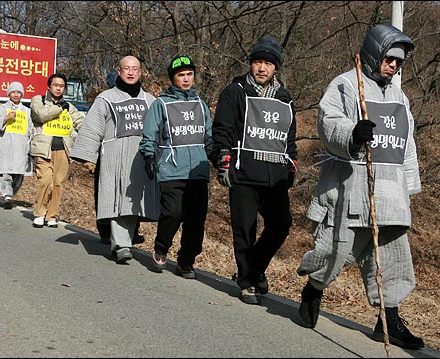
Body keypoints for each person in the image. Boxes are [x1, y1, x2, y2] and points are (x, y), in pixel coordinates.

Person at [295, 24, 424, 350]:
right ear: (373, 53)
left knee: (394, 258)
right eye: (389, 57)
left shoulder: (399, 95)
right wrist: (353, 133)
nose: (393, 65)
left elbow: (406, 143)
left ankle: (388, 316)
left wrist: (408, 187)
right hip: (351, 189)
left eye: (398, 61)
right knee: (336, 250)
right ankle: (314, 287)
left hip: (390, 194)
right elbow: (329, 123)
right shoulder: (346, 84)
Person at [212, 36, 297, 304]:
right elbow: (222, 130)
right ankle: (247, 280)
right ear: (251, 64)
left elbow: (289, 136)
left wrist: (292, 164)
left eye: (268, 63)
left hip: (275, 175)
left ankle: (255, 267)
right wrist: (223, 158)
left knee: (281, 225)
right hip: (244, 171)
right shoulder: (234, 92)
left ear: (276, 68)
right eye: (258, 62)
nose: (262, 68)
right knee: (244, 229)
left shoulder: (285, 98)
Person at [70, 56, 159, 264]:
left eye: (135, 69)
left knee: (133, 201)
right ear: (119, 71)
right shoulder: (106, 98)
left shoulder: (151, 101)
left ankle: (125, 238)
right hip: (113, 158)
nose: (131, 72)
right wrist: (87, 156)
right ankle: (121, 245)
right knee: (117, 198)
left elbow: (160, 129)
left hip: (141, 158)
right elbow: (93, 128)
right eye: (126, 68)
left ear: (140, 73)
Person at [139, 55, 213, 279]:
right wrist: (149, 157)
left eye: (189, 74)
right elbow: (149, 134)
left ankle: (186, 261)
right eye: (181, 75)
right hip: (171, 168)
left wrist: (218, 158)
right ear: (173, 79)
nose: (186, 79)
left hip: (198, 171)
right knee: (173, 213)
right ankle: (161, 247)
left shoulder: (201, 104)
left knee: (196, 218)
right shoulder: (161, 104)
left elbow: (209, 137)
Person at [30, 73, 84, 228]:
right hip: (43, 149)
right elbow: (41, 115)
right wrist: (59, 108)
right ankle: (39, 213)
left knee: (58, 183)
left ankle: (51, 216)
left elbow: (81, 123)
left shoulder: (69, 107)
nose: (58, 88)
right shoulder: (38, 100)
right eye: (55, 85)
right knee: (45, 181)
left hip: (63, 150)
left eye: (61, 86)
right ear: (49, 87)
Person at [0, 82, 34, 209]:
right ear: (9, 93)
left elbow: (31, 128)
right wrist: (5, 118)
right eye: (13, 92)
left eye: (18, 92)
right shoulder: (2, 108)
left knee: (19, 173)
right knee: (5, 172)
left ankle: (11, 193)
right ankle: (6, 195)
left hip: (20, 147)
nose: (16, 95)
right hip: (5, 146)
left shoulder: (27, 111)